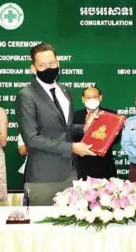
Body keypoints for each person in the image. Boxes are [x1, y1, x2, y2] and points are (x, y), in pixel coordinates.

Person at [15, 42, 96, 206]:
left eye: (52, 63)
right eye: (42, 65)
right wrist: (72, 147)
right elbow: (31, 138)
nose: (48, 68)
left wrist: (84, 128)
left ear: (58, 63)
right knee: (42, 230)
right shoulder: (26, 95)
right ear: (33, 68)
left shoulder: (65, 91)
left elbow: (64, 129)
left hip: (71, 173)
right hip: (43, 177)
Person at [73, 87, 117, 180]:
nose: (91, 100)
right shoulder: (74, 116)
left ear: (100, 98)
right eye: (88, 98)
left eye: (94, 97)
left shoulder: (111, 115)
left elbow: (117, 139)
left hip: (106, 165)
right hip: (83, 165)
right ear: (83, 99)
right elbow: (72, 137)